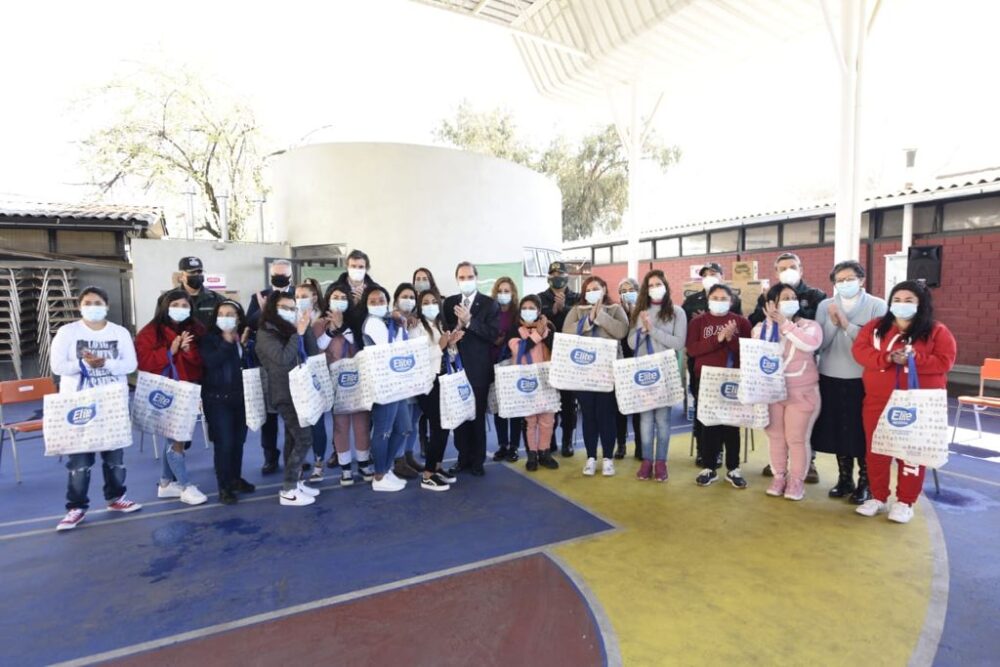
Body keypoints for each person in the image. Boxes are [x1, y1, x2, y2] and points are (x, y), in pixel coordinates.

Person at [851, 280, 956, 524]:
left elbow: (945, 361)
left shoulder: (936, 330)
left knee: (911, 451)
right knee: (876, 449)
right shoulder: (876, 327)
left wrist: (915, 358)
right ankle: (878, 496)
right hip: (877, 401)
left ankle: (905, 501)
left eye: (909, 300)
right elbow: (860, 351)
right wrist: (887, 357)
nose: (902, 304)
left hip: (915, 403)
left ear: (921, 304)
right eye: (897, 300)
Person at [50, 286, 141, 530]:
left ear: (107, 306)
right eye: (87, 303)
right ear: (79, 306)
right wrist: (84, 364)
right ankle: (76, 507)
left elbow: (130, 364)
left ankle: (116, 497)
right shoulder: (67, 332)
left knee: (114, 457)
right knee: (79, 460)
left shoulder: (119, 332)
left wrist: (106, 363)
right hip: (79, 404)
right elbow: (58, 366)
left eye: (98, 302)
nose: (93, 307)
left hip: (112, 402)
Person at [812, 261, 888, 504]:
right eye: (839, 280)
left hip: (862, 379)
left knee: (861, 432)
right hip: (830, 376)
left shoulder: (877, 306)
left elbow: (876, 344)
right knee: (839, 430)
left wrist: (846, 324)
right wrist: (834, 325)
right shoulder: (825, 305)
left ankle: (865, 482)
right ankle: (845, 479)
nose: (845, 283)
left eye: (849, 279)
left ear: (861, 279)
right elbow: (819, 343)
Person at [750, 252, 827, 484]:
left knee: (798, 436)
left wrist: (785, 323)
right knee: (777, 436)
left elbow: (811, 341)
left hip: (802, 385)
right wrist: (770, 320)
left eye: (792, 266)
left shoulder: (815, 299)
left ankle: (800, 475)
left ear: (801, 269)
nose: (788, 271)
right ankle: (779, 474)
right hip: (773, 389)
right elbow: (757, 343)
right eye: (782, 268)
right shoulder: (762, 319)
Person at [135, 289, 209, 506]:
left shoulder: (196, 329)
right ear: (165, 307)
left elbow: (200, 362)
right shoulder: (150, 332)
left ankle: (166, 483)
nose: (180, 309)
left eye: (185, 305)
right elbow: (144, 361)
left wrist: (187, 350)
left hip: (188, 389)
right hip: (164, 392)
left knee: (177, 437)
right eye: (175, 305)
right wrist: (171, 351)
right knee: (176, 438)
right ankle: (185, 486)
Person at [255, 291, 322, 506]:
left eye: (293, 308)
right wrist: (297, 333)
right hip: (284, 393)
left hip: (300, 391)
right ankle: (288, 489)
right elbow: (282, 358)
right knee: (304, 439)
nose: (290, 312)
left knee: (293, 439)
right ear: (273, 309)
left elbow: (312, 351)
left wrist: (305, 327)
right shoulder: (266, 332)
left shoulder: (291, 329)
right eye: (284, 308)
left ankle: (296, 482)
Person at [687, 284, 752, 489]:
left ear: (731, 301)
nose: (719, 301)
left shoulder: (741, 322)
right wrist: (718, 338)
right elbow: (693, 349)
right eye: (715, 298)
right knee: (709, 424)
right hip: (706, 379)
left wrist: (731, 339)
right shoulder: (698, 322)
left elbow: (747, 351)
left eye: (724, 298)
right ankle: (709, 467)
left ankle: (733, 468)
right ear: (708, 300)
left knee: (732, 425)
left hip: (733, 379)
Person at [563, 276, 629, 477]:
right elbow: (566, 331)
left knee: (606, 415)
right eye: (589, 289)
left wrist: (600, 315)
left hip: (608, 374)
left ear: (604, 289)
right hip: (583, 374)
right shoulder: (576, 310)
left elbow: (622, 330)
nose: (592, 291)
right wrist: (588, 320)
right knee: (589, 416)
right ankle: (591, 457)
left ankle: (608, 457)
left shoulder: (615, 309)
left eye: (596, 288)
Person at [681, 262, 742, 469]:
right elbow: (691, 343)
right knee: (704, 413)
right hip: (702, 370)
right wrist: (716, 336)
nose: (709, 276)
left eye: (713, 273)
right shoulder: (692, 305)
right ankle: (705, 452)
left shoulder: (737, 311)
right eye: (705, 274)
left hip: (730, 372)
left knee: (728, 418)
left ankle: (724, 456)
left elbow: (742, 344)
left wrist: (729, 338)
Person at [628, 271, 687, 482]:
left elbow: (678, 343)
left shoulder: (677, 312)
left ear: (666, 286)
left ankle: (661, 462)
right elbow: (631, 343)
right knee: (645, 419)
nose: (655, 288)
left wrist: (652, 330)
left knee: (663, 420)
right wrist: (642, 331)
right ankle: (647, 461)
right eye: (651, 285)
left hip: (666, 372)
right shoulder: (640, 312)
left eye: (658, 284)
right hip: (644, 374)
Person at [442, 262, 500, 477]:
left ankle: (478, 460)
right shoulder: (450, 303)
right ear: (456, 279)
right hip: (456, 369)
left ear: (476, 278)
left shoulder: (489, 304)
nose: (465, 281)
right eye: (461, 277)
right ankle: (462, 457)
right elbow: (444, 330)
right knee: (460, 418)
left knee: (476, 417)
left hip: (478, 370)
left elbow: (492, 335)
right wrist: (457, 327)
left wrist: (469, 322)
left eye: (469, 277)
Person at [200, 300, 255, 504]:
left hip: (240, 398)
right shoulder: (209, 339)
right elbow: (211, 362)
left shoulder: (244, 337)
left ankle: (235, 479)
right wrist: (226, 342)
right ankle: (224, 487)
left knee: (238, 442)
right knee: (224, 443)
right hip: (217, 400)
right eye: (221, 314)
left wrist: (245, 346)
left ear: (238, 318)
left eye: (230, 314)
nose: (225, 318)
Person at [359, 284, 412, 492]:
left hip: (396, 383)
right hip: (384, 385)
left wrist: (400, 322)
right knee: (383, 431)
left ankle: (386, 468)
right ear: (366, 305)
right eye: (372, 301)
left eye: (381, 300)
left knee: (403, 428)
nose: (377, 304)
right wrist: (399, 322)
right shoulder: (373, 323)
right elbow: (395, 348)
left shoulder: (388, 321)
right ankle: (379, 475)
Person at [320, 283, 374, 485]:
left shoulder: (357, 320)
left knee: (362, 424)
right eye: (336, 297)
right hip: (334, 381)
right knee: (340, 425)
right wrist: (331, 330)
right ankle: (345, 468)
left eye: (344, 298)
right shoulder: (320, 323)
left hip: (358, 379)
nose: (339, 301)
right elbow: (317, 347)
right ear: (328, 299)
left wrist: (343, 326)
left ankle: (363, 463)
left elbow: (360, 345)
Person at [246, 258, 295, 475]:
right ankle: (270, 457)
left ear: (290, 276)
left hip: (293, 361)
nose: (280, 278)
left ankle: (294, 455)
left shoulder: (298, 295)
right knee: (269, 415)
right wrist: (264, 310)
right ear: (270, 275)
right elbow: (248, 323)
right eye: (276, 275)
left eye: (284, 275)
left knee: (294, 415)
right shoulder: (259, 297)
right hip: (267, 364)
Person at [414, 288, 462, 491]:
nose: (431, 305)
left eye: (434, 302)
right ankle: (428, 474)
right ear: (419, 306)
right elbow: (417, 358)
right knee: (438, 427)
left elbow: (448, 356)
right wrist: (440, 346)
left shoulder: (440, 325)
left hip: (443, 379)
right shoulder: (416, 327)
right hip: (428, 383)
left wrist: (451, 345)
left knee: (444, 426)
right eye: (426, 302)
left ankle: (437, 467)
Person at [508, 295, 560, 472]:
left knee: (547, 419)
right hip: (526, 382)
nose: (528, 311)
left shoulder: (548, 328)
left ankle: (544, 452)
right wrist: (538, 333)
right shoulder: (515, 330)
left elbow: (556, 348)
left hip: (546, 380)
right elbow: (519, 349)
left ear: (539, 311)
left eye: (532, 308)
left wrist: (545, 331)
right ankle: (532, 454)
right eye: (524, 308)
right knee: (530, 420)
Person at [537, 261, 580, 457]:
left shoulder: (577, 297)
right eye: (553, 274)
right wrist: (553, 310)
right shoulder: (540, 298)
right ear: (548, 277)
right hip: (547, 356)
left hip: (570, 358)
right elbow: (536, 318)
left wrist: (564, 308)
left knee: (569, 403)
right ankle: (550, 439)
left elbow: (581, 318)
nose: (557, 277)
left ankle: (567, 440)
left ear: (567, 276)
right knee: (549, 400)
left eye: (560, 274)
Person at [296, 279, 333, 483]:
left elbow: (320, 347)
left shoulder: (322, 319)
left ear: (314, 297)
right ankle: (299, 462)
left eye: (304, 296)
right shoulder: (290, 317)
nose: (300, 300)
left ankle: (319, 462)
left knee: (317, 423)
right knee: (299, 423)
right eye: (297, 296)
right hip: (297, 375)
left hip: (318, 374)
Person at [491, 276, 522, 463]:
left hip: (514, 364)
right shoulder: (490, 311)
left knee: (515, 406)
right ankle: (502, 445)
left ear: (513, 293)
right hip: (494, 363)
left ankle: (514, 446)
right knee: (499, 406)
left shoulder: (518, 314)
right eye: (500, 291)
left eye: (507, 291)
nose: (503, 294)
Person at [411, 267, 440, 458]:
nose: (421, 281)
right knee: (421, 415)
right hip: (422, 376)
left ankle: (435, 461)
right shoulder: (411, 308)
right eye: (418, 278)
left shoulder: (439, 308)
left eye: (425, 278)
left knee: (437, 420)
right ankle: (423, 443)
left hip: (439, 374)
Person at [616, 277, 643, 460]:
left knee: (639, 410)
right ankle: (621, 444)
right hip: (621, 364)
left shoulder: (644, 312)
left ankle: (640, 445)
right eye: (623, 291)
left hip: (639, 364)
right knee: (620, 409)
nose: (627, 293)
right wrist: (626, 313)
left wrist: (634, 313)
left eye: (631, 290)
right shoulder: (616, 311)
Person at [177, 256, 225, 328]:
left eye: (199, 272)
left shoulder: (217, 299)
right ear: (181, 276)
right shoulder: (168, 299)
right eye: (192, 272)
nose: (197, 275)